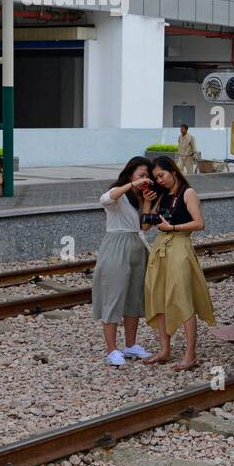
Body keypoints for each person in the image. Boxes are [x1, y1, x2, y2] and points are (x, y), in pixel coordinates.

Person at [141, 155, 215, 370]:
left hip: (180, 247)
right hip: (160, 248)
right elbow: (146, 227)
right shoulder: (161, 196)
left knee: (182, 298)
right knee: (158, 297)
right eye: (156, 178)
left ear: (173, 171)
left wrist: (173, 228)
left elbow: (199, 223)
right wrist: (147, 201)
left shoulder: (188, 192)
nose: (160, 180)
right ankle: (165, 350)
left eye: (162, 175)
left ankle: (190, 355)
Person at [93, 156, 155, 367]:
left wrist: (147, 201)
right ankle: (111, 349)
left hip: (137, 246)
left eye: (148, 176)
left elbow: (145, 227)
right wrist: (132, 184)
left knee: (134, 298)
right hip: (116, 246)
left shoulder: (142, 197)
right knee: (113, 296)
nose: (145, 179)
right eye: (141, 175)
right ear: (130, 174)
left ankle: (130, 345)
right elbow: (105, 199)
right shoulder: (118, 195)